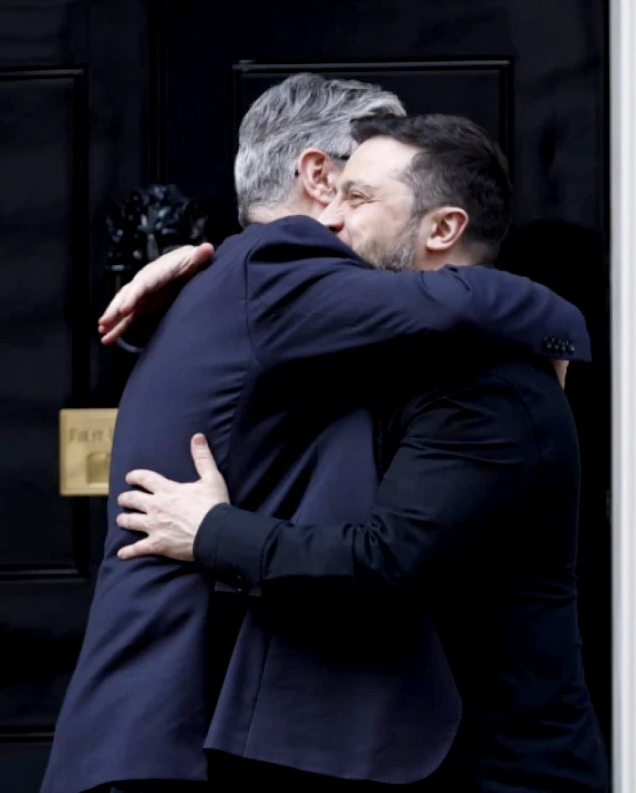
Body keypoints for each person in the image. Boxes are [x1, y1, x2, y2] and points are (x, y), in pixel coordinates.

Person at [39, 78, 591, 793]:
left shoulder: (437, 368)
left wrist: (213, 528)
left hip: (483, 764)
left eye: (365, 200)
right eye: (349, 191)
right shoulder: (274, 271)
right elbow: (443, 304)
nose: (340, 222)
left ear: (443, 227)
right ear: (317, 176)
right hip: (166, 728)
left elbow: (383, 557)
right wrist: (561, 327)